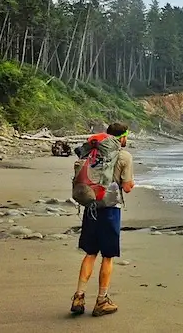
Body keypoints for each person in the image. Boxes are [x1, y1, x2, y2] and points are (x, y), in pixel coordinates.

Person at [70, 122, 135, 317]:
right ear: (122, 137)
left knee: (90, 254)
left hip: (90, 207)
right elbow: (128, 187)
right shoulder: (124, 156)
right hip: (110, 211)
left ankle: (79, 297)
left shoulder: (92, 153)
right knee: (107, 257)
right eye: (126, 136)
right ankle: (101, 300)